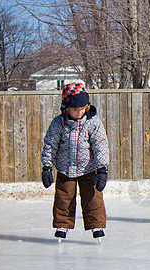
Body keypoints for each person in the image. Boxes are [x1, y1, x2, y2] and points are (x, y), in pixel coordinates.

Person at [41, 82, 109, 240]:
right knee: (63, 198)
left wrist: (102, 169)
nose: (79, 113)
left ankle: (96, 225)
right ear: (66, 108)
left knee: (93, 198)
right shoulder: (58, 123)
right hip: (65, 169)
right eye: (75, 109)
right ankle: (62, 225)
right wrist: (47, 167)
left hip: (89, 169)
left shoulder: (93, 123)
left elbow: (101, 145)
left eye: (82, 109)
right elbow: (50, 145)